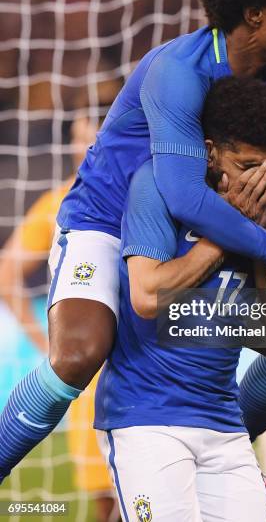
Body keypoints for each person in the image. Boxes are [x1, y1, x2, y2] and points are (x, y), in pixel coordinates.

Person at [0, 0, 266, 483]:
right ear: (254, 14)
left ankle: (226, 455)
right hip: (108, 219)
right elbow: (182, 193)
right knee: (79, 355)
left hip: (209, 223)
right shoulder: (176, 72)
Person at [94, 76, 266, 521]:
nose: (262, 179)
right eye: (247, 165)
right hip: (147, 419)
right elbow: (147, 297)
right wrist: (229, 232)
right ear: (209, 152)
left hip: (224, 426)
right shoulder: (157, 186)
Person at [0, 114, 119, 522]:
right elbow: (6, 276)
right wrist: (51, 345)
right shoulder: (57, 204)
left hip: (146, 365)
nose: (83, 147)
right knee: (109, 502)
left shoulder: (147, 194)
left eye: (93, 137)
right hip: (92, 373)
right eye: (78, 137)